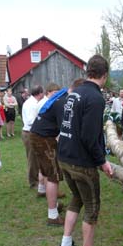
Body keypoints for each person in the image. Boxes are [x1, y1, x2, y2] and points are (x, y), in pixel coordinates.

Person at [56, 55, 114, 246]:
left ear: (88, 72)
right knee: (92, 207)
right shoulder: (95, 98)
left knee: (76, 199)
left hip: (63, 157)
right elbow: (90, 136)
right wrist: (102, 161)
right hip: (81, 162)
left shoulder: (75, 93)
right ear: (104, 76)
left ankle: (65, 245)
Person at [30, 82, 73, 226]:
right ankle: (53, 216)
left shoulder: (60, 98)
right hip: (44, 138)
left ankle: (50, 201)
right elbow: (65, 128)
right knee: (53, 175)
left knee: (47, 171)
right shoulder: (63, 102)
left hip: (39, 136)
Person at [22, 85, 46, 191]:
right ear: (40, 93)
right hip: (29, 132)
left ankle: (37, 179)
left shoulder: (32, 102)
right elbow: (30, 121)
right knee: (33, 159)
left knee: (36, 157)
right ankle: (33, 182)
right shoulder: (31, 104)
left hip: (32, 132)